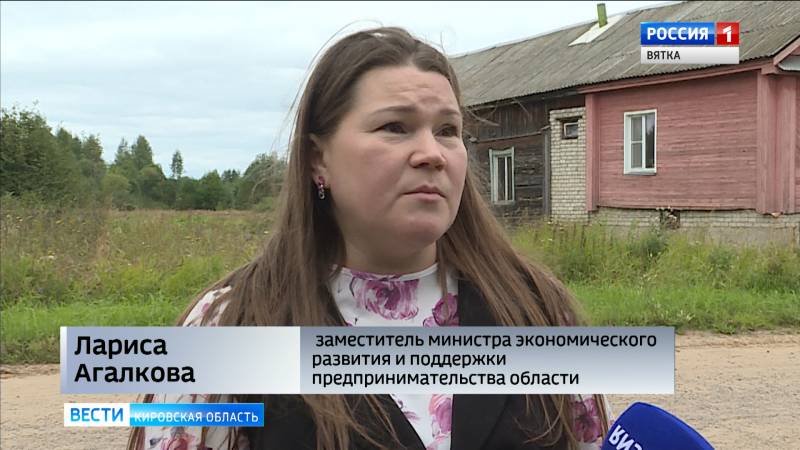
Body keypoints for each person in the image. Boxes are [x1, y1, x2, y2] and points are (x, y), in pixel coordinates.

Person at [128, 26, 613, 450]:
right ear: (318, 159)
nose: (432, 153)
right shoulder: (231, 326)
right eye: (395, 127)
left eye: (447, 130)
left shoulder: (536, 311)